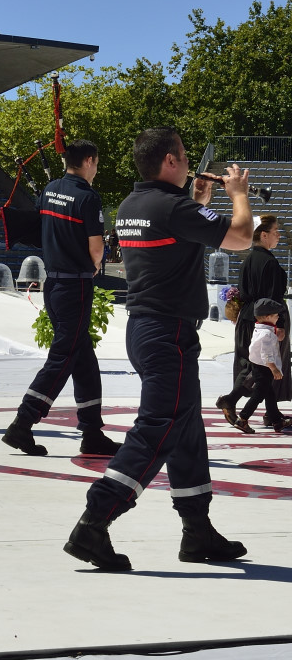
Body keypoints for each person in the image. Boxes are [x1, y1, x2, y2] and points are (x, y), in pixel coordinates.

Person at [64, 127, 252, 572]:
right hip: (167, 333)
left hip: (147, 329)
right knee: (159, 429)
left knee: (186, 429)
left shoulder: (134, 205)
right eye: (184, 157)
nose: (190, 164)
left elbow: (174, 242)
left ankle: (197, 530)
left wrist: (199, 202)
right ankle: (95, 520)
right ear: (169, 161)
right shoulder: (173, 207)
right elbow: (242, 237)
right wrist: (239, 194)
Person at [3, 140, 120, 457]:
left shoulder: (51, 189)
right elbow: (96, 249)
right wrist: (97, 264)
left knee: (84, 361)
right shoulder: (87, 196)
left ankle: (92, 432)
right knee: (62, 360)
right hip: (75, 286)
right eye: (97, 163)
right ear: (90, 161)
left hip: (52, 283)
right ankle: (22, 424)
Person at [215, 215, 289, 431]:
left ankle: (273, 416)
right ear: (264, 235)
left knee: (255, 367)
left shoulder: (247, 259)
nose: (278, 236)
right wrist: (280, 324)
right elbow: (274, 299)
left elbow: (243, 292)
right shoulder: (270, 263)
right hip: (264, 320)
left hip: (246, 317)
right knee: (259, 369)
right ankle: (232, 400)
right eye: (275, 232)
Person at [228, 298, 285, 434]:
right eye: (276, 315)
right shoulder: (266, 334)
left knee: (269, 393)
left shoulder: (260, 329)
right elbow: (266, 355)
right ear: (267, 317)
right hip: (264, 368)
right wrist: (274, 368)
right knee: (259, 395)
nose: (278, 317)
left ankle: (277, 420)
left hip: (259, 366)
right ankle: (243, 418)